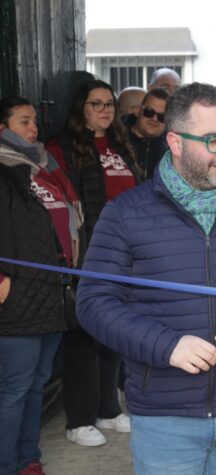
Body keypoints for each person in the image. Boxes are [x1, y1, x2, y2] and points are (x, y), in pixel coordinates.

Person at [76, 82, 216, 475]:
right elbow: (94, 303)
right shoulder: (126, 213)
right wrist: (167, 346)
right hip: (165, 418)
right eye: (213, 140)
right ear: (176, 143)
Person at [45, 79, 139, 447]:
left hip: (125, 253)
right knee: (83, 338)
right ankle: (79, 419)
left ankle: (108, 409)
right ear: (79, 108)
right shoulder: (62, 148)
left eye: (109, 104)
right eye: (95, 104)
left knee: (113, 332)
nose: (104, 110)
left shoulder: (119, 144)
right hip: (88, 254)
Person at [0, 96, 82, 475]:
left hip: (50, 291)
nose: (33, 129)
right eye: (23, 122)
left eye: (35, 122)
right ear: (2, 129)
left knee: (36, 384)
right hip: (16, 296)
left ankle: (28, 458)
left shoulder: (44, 169)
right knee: (14, 389)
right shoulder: (5, 171)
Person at [124, 88, 170, 181]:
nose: (154, 119)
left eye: (161, 116)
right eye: (149, 112)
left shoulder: (172, 150)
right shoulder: (116, 138)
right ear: (137, 111)